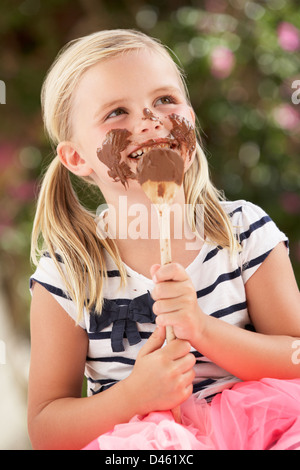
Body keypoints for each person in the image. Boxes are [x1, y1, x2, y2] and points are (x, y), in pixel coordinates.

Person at [28, 29, 300, 450]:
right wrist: (134, 395)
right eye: (117, 111)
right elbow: (47, 430)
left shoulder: (245, 233)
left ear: (190, 115)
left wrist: (202, 329)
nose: (148, 120)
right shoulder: (67, 273)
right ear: (78, 158)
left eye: (164, 100)